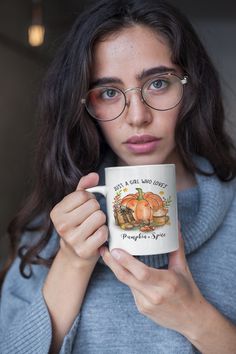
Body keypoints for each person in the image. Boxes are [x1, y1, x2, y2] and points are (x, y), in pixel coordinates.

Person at [1, 0, 236, 353]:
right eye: (109, 93)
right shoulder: (50, 228)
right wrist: (72, 262)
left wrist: (197, 319)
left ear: (190, 87)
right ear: (85, 105)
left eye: (158, 83)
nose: (137, 116)